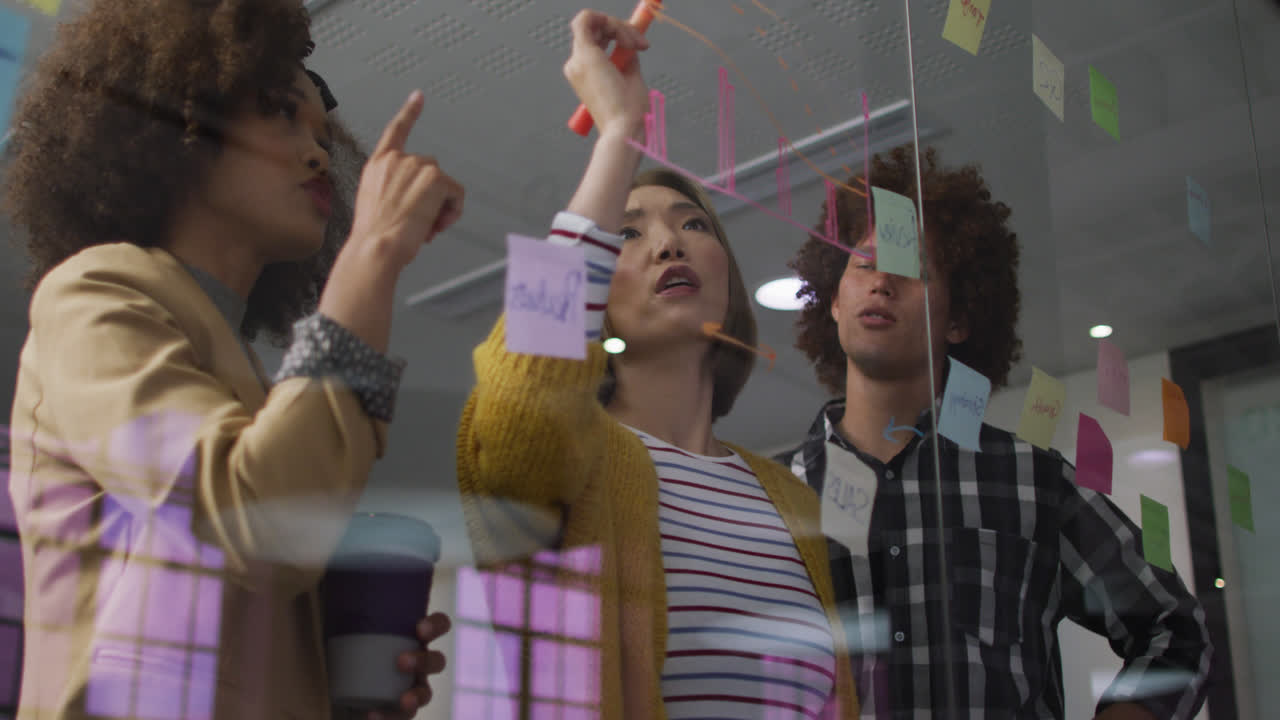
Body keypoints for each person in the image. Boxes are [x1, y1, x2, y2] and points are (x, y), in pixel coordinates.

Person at [1, 1, 461, 718]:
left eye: (320, 133)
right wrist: (371, 256)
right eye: (279, 111)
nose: (317, 154)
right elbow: (246, 518)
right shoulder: (93, 290)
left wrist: (331, 672)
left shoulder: (246, 371)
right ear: (181, 126)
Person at [456, 9, 857, 720]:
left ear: (726, 277)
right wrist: (616, 137)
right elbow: (517, 408)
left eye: (692, 223)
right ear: (591, 303)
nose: (668, 243)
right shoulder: (577, 459)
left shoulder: (789, 499)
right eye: (625, 234)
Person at [778, 145, 1212, 720]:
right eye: (864, 264)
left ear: (958, 319)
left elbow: (1175, 628)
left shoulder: (1030, 481)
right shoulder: (777, 494)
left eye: (912, 269)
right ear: (832, 299)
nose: (882, 282)